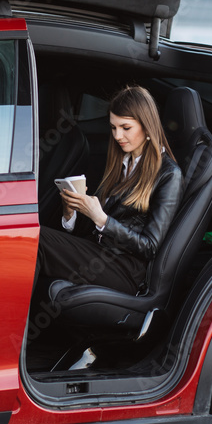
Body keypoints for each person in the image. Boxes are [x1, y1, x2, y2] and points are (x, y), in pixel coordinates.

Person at [37, 85, 184, 296]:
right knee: (31, 237)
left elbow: (150, 246)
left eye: (125, 127)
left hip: (124, 268)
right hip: (98, 252)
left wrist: (102, 219)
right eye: (113, 128)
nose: (117, 135)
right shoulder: (122, 162)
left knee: (37, 240)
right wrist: (71, 212)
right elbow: (94, 228)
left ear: (146, 125)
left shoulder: (169, 175)